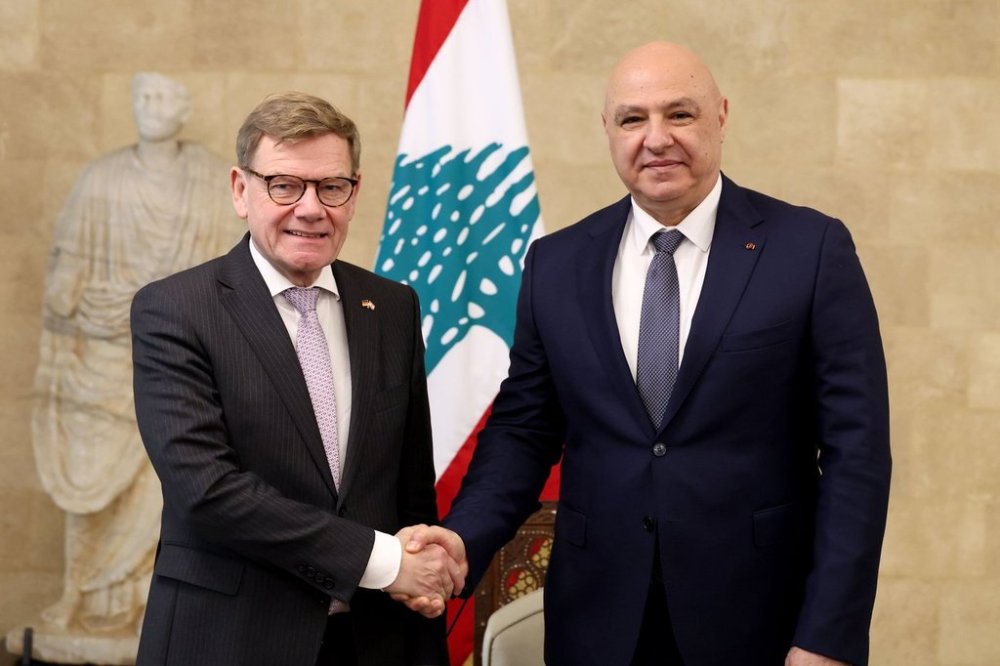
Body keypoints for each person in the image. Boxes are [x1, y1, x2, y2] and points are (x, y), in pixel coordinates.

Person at [406, 42, 891, 665]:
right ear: (607, 130)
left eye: (680, 114)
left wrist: (827, 636)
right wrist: (462, 540)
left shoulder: (810, 249)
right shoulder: (557, 263)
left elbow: (858, 457)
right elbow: (524, 430)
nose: (656, 138)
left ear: (721, 116)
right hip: (599, 622)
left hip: (761, 621)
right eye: (633, 118)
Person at [130, 92, 462, 666]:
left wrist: (425, 574)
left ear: (354, 192)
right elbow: (208, 490)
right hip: (229, 639)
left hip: (375, 640)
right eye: (285, 185)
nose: (311, 209)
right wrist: (387, 562)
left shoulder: (392, 307)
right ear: (241, 189)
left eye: (332, 187)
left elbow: (408, 485)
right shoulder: (175, 309)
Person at [30, 72, 236, 638]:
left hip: (180, 355)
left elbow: (232, 274)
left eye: (164, 96)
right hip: (102, 354)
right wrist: (67, 290)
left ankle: (155, 599)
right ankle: (78, 593)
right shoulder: (101, 179)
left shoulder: (209, 179)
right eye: (142, 96)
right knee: (92, 480)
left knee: (171, 476)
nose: (151, 106)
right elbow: (65, 271)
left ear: (185, 107)